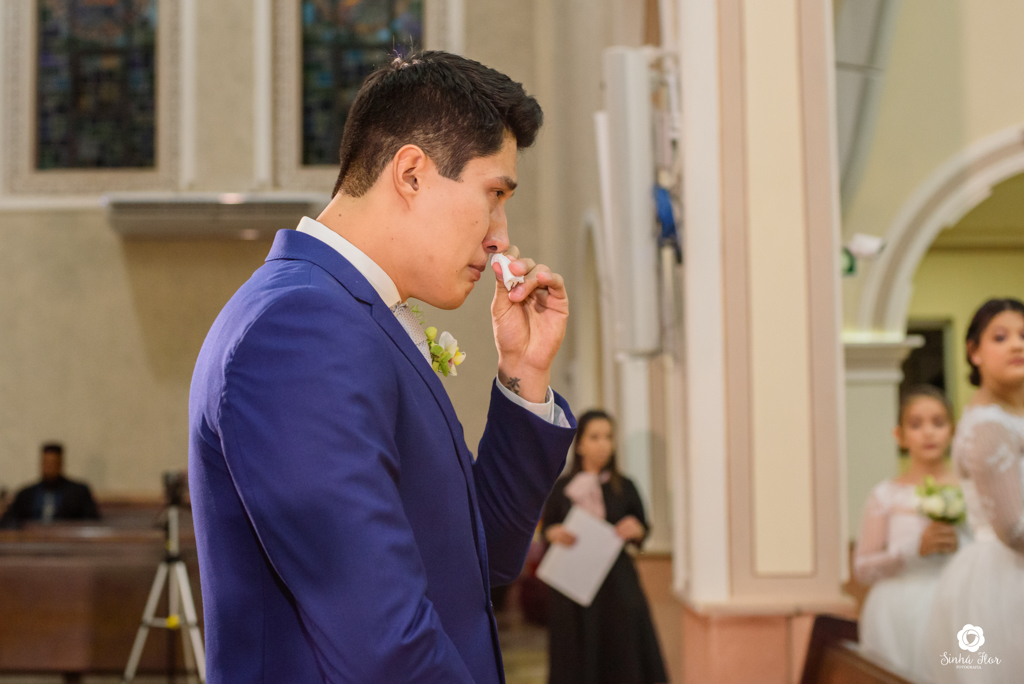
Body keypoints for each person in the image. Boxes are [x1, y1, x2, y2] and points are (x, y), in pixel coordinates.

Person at [188, 51, 577, 683]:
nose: (500, 236)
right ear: (412, 173)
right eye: (494, 195)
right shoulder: (299, 331)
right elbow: (383, 646)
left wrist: (523, 375)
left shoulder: (349, 314)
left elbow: (478, 555)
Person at [928, 298, 1024, 683]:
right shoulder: (987, 427)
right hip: (1008, 575)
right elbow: (1015, 529)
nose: (1017, 344)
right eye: (1000, 337)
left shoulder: (1010, 418)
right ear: (974, 351)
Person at [541, 410, 668, 684]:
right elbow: (546, 530)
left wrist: (638, 530)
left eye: (608, 437)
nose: (603, 444)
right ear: (580, 445)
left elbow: (642, 534)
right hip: (573, 587)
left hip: (617, 586)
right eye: (595, 437)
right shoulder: (562, 488)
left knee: (622, 651)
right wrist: (552, 533)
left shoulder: (625, 486)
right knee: (575, 654)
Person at [853, 385, 962, 679]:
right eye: (916, 424)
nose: (928, 433)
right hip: (896, 610)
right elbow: (862, 569)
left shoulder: (970, 490)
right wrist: (914, 550)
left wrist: (961, 545)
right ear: (899, 435)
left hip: (955, 603)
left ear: (953, 430)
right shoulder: (885, 496)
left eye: (938, 423)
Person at [0, 443, 99, 526]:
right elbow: (9, 521)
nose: (49, 468)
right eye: (46, 463)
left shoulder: (78, 492)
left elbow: (91, 522)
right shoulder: (26, 494)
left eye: (53, 464)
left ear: (60, 464)